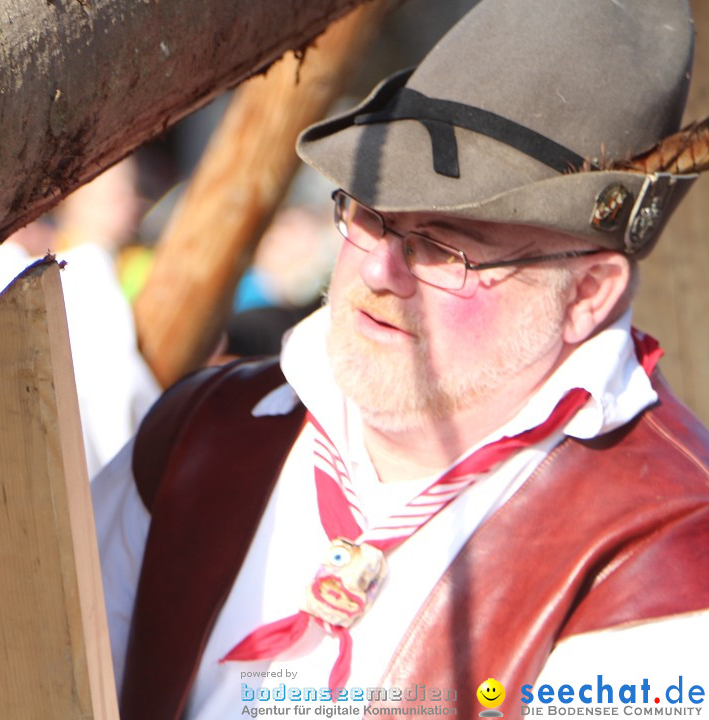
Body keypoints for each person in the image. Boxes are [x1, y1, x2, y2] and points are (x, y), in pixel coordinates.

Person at [91, 0, 709, 718]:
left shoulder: (668, 552)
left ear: (587, 295)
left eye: (442, 247)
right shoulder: (204, 431)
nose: (380, 269)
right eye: (369, 214)